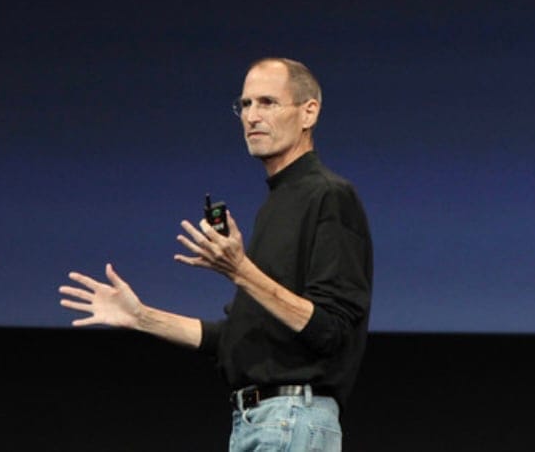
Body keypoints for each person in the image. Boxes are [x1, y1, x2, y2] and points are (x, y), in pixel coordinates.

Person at [59, 58, 373, 452]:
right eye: (245, 105)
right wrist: (140, 317)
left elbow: (331, 330)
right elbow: (236, 340)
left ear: (309, 112)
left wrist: (240, 270)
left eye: (267, 103)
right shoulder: (276, 204)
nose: (252, 116)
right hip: (256, 422)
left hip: (292, 419)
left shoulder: (329, 196)